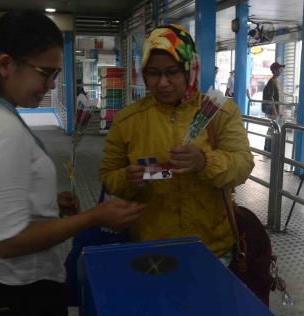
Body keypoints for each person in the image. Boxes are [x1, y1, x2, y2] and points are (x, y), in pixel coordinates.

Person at [0, 11, 145, 316]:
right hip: (18, 289)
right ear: (5, 64)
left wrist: (48, 206)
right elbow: (8, 241)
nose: (52, 85)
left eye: (55, 74)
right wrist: (93, 217)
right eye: (45, 72)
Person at [99, 24, 254, 265]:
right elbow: (108, 176)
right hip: (150, 248)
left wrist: (204, 162)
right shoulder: (128, 119)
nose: (162, 83)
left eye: (172, 72)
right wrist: (126, 180)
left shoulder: (219, 112)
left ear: (190, 68)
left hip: (212, 249)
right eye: (153, 73)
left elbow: (243, 166)